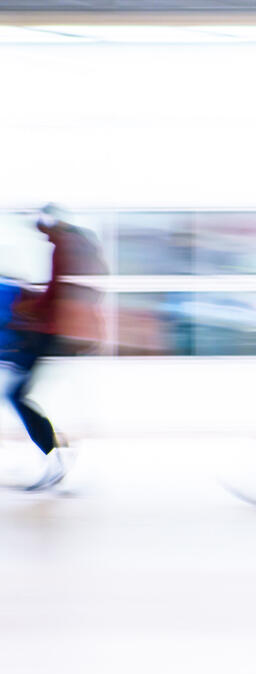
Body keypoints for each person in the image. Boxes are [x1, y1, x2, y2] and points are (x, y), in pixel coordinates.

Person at [4, 205, 105, 491]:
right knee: (19, 394)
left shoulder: (63, 246)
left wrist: (29, 309)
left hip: (48, 332)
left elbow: (56, 291)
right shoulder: (70, 245)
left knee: (17, 395)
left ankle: (54, 453)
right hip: (50, 330)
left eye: (41, 227)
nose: (40, 233)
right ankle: (54, 452)